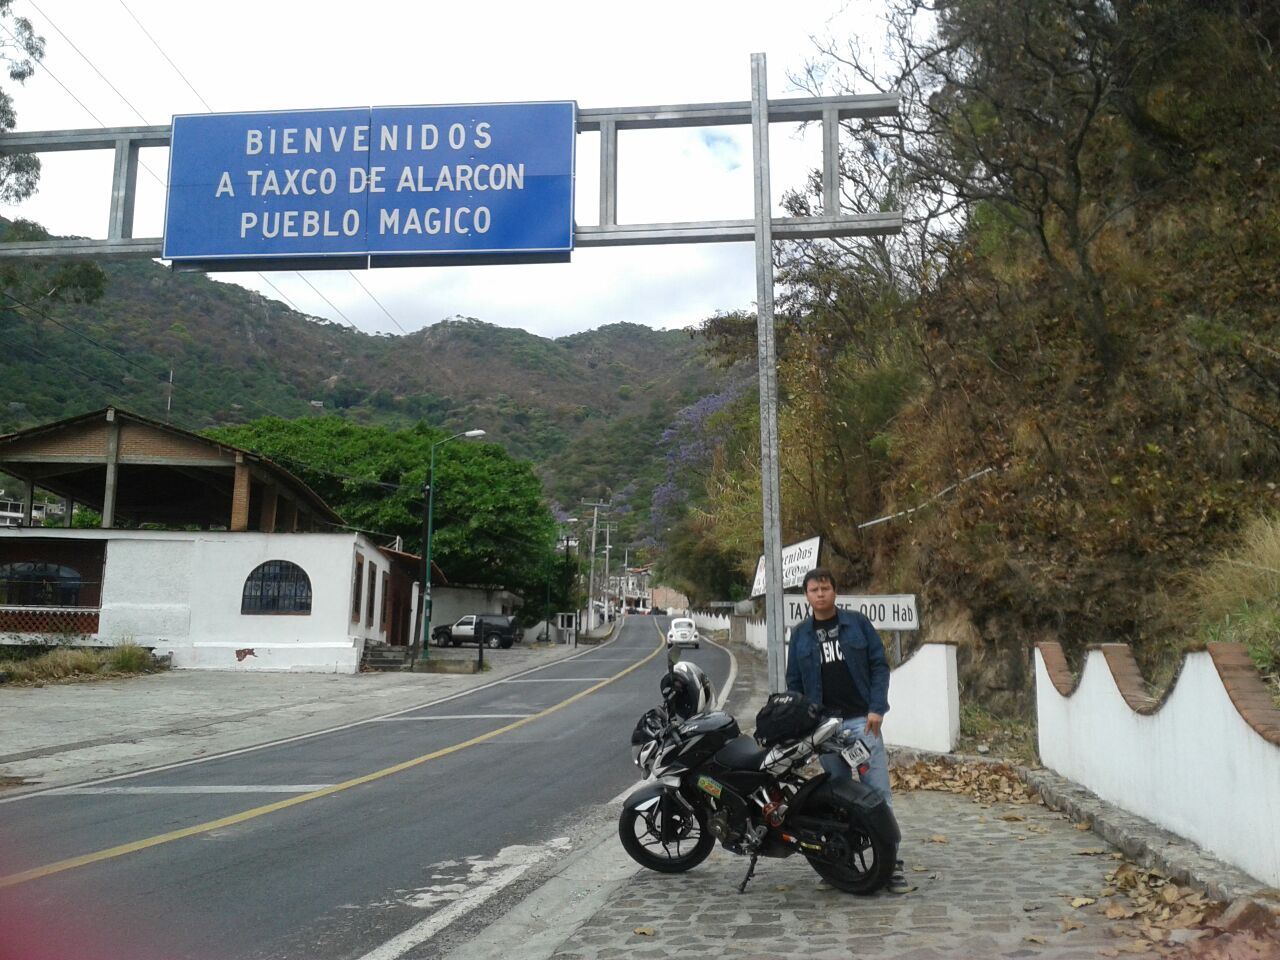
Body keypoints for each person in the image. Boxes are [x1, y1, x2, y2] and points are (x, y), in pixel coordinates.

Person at [784, 566, 914, 894]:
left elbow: (878, 665)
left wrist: (876, 708)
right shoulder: (800, 634)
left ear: (835, 591)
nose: (821, 594)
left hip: (861, 723)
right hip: (825, 729)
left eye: (825, 588)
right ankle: (840, 864)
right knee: (837, 797)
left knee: (877, 793)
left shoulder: (857, 623)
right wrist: (807, 724)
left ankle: (892, 864)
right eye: (814, 590)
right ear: (807, 596)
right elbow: (795, 682)